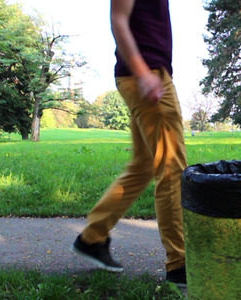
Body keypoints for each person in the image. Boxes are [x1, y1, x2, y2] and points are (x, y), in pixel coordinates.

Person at [71, 0, 188, 285]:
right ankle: (180, 264)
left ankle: (92, 237)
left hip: (146, 74)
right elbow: (118, 19)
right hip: (146, 75)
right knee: (172, 167)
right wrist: (143, 72)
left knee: (144, 165)